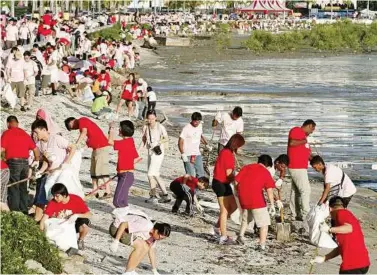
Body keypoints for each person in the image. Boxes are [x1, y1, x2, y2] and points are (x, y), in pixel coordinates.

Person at [311, 196, 370, 274]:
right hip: (363, 263)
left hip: (352, 265)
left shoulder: (341, 213)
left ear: (330, 209)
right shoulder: (347, 216)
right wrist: (324, 258)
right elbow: (342, 247)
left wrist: (329, 229)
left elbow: (349, 228)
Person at [31, 119, 77, 220]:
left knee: (53, 200)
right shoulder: (40, 145)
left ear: (43, 130)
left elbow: (73, 147)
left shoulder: (56, 139)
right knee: (41, 198)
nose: (34, 134)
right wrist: (40, 171)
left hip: (60, 174)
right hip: (50, 174)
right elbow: (47, 162)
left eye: (36, 132)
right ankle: (38, 220)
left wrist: (66, 162)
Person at [109, 210, 171, 275]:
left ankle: (131, 270)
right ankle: (127, 272)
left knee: (146, 247)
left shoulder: (153, 237)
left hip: (126, 231)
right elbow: (123, 224)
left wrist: (154, 270)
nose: (159, 239)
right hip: (116, 228)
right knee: (139, 246)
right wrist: (116, 242)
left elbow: (151, 251)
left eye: (162, 239)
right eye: (160, 237)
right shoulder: (147, 225)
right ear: (156, 230)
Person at [235, 155, 276, 249]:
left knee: (246, 219)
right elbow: (269, 190)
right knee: (264, 223)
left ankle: (240, 236)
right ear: (268, 165)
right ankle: (262, 244)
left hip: (243, 197)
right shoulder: (265, 172)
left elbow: (236, 181)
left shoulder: (246, 167)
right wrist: (272, 205)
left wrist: (238, 192)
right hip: (257, 200)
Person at [64, 117, 111, 199]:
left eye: (70, 126)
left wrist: (76, 144)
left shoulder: (82, 120)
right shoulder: (82, 127)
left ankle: (108, 191)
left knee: (101, 170)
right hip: (96, 148)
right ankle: (94, 190)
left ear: (71, 121)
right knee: (93, 170)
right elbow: (90, 139)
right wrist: (82, 149)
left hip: (101, 147)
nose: (73, 128)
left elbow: (84, 133)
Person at [1, 116, 39, 213]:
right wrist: (37, 159)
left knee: (14, 187)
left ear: (8, 123)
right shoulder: (25, 134)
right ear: (17, 123)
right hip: (25, 162)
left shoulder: (6, 133)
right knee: (23, 186)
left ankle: (15, 211)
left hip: (13, 162)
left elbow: (2, 149)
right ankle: (24, 210)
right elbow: (35, 149)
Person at [212, 133, 245, 245]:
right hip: (220, 183)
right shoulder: (227, 154)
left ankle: (217, 226)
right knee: (224, 210)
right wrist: (239, 177)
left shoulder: (227, 152)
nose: (240, 148)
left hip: (224, 183)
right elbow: (229, 174)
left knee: (233, 206)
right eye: (240, 146)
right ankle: (223, 236)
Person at [40, 183, 92, 250]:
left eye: (57, 196)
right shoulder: (53, 202)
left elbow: (89, 214)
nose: (55, 198)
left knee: (84, 226)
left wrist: (76, 215)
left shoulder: (76, 199)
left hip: (75, 222)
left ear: (64, 195)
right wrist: (41, 233)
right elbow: (44, 218)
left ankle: (80, 240)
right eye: (54, 196)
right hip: (61, 225)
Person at [108, 120, 142, 208]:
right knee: (123, 202)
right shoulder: (130, 141)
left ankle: (124, 217)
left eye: (119, 129)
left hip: (125, 175)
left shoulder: (125, 143)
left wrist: (111, 129)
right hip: (125, 175)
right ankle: (125, 218)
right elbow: (137, 159)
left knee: (117, 201)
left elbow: (110, 142)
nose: (118, 130)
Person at [287, 119, 316, 221]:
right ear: (308, 126)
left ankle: (295, 213)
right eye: (312, 129)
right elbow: (292, 143)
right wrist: (305, 141)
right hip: (296, 166)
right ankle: (305, 213)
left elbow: (306, 153)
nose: (311, 132)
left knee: (296, 191)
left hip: (301, 166)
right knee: (305, 190)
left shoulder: (304, 138)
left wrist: (315, 159)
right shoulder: (296, 131)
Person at [141, 110, 171, 204]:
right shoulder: (146, 127)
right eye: (149, 119)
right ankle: (165, 195)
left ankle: (153, 196)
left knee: (150, 174)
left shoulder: (160, 126)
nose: (151, 120)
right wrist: (138, 151)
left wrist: (158, 143)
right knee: (156, 174)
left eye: (153, 119)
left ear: (156, 118)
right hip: (150, 152)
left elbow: (166, 138)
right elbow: (144, 140)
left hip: (158, 152)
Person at [178, 112, 210, 178]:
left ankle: (198, 187)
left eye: (198, 121)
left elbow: (200, 136)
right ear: (192, 120)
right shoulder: (186, 128)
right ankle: (188, 187)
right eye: (195, 121)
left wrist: (206, 144)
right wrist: (182, 154)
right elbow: (180, 141)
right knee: (191, 175)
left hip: (197, 154)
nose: (196, 123)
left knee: (201, 173)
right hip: (188, 154)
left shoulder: (200, 126)